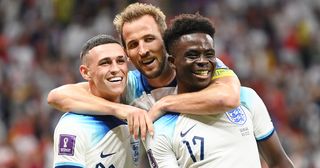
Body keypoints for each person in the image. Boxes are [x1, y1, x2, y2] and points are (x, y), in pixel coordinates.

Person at [47, 2, 241, 140]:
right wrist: (120, 109)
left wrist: (165, 104)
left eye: (149, 39)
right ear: (127, 55)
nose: (143, 50)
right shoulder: (128, 86)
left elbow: (228, 98)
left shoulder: (199, 65)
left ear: (165, 40)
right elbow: (57, 96)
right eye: (133, 44)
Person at [141, 13, 294, 168]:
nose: (203, 61)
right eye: (192, 55)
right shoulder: (161, 128)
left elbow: (279, 162)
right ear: (172, 63)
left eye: (209, 54)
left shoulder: (246, 97)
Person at [53, 34, 137, 168]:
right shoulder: (73, 126)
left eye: (120, 61)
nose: (116, 69)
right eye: (105, 63)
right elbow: (54, 96)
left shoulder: (138, 106)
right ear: (85, 72)